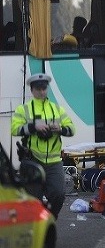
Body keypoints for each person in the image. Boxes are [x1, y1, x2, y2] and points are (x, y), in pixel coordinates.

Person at [11, 73, 75, 219]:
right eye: (38, 88)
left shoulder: (56, 109)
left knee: (59, 194)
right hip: (32, 160)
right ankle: (37, 227)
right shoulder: (24, 109)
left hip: (54, 162)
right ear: (32, 90)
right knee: (34, 199)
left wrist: (60, 128)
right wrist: (34, 127)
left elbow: (71, 129)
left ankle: (49, 219)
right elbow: (14, 129)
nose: (41, 91)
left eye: (44, 88)